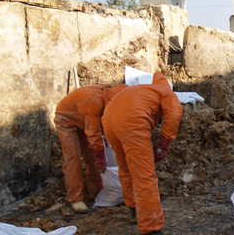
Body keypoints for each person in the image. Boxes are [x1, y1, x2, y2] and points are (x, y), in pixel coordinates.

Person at [102, 72, 183, 235]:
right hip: (132, 120)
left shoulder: (142, 90)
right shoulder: (166, 93)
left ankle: (133, 207)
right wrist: (164, 145)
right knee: (144, 174)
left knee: (125, 167)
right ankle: (151, 227)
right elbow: (175, 114)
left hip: (108, 120)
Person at [54, 83, 129, 213]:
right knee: (73, 157)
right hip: (66, 120)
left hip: (84, 119)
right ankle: (75, 197)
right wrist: (100, 155)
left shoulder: (113, 94)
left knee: (92, 157)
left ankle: (96, 191)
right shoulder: (93, 101)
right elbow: (93, 133)